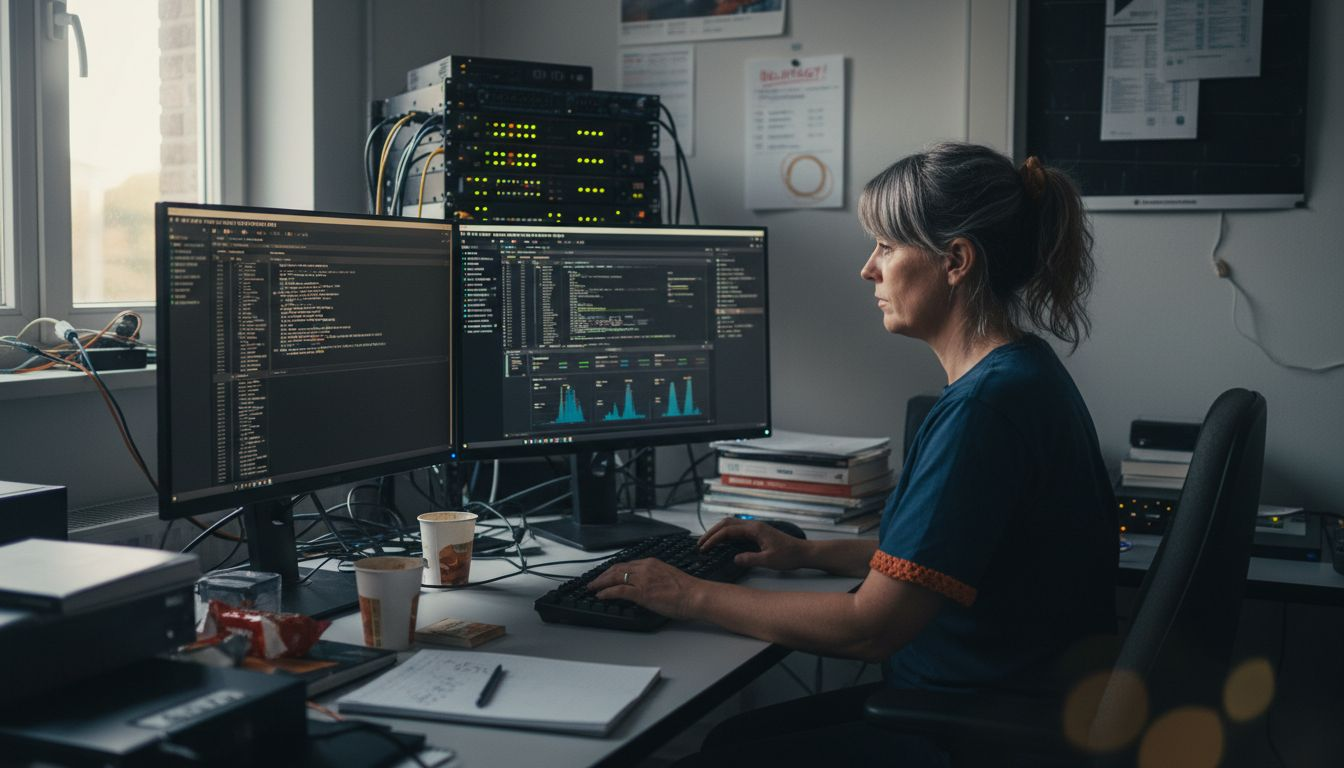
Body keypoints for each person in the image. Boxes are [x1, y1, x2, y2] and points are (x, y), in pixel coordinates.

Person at [586, 142, 1118, 764]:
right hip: (987, 701)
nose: (869, 269)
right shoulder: (1018, 374)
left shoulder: (984, 411)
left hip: (968, 727)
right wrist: (805, 553)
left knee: (719, 752)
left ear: (956, 261)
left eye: (887, 248)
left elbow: (872, 627)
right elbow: (953, 549)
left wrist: (686, 594)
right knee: (729, 739)